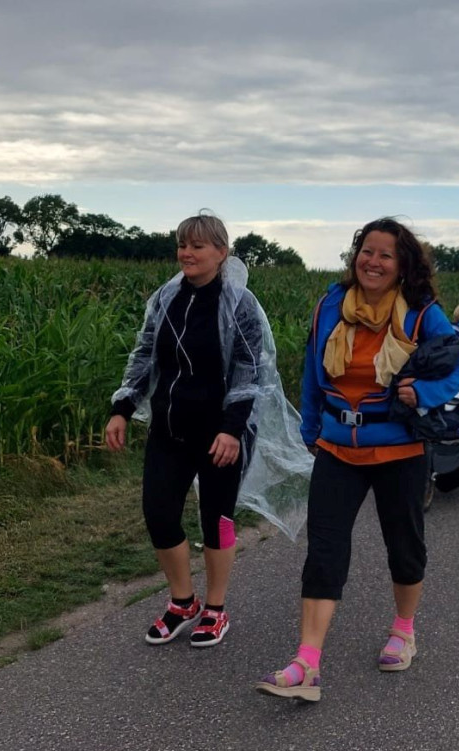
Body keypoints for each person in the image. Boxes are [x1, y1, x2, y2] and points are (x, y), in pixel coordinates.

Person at [254, 218, 459, 703]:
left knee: (404, 545)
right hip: (337, 448)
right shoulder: (331, 305)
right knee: (324, 550)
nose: (372, 261)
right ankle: (306, 662)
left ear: (403, 266)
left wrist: (427, 392)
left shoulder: (421, 312)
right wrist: (311, 428)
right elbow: (313, 369)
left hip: (399, 448)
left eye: (385, 255)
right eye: (366, 252)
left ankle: (404, 629)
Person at [105, 213, 311, 648]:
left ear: (222, 252)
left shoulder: (240, 304)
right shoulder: (166, 299)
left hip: (221, 432)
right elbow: (145, 354)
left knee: (216, 520)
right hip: (170, 426)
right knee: (159, 515)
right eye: (182, 244)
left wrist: (233, 428)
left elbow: (251, 370)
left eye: (198, 246)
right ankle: (182, 601)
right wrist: (122, 407)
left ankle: (215, 608)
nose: (187, 253)